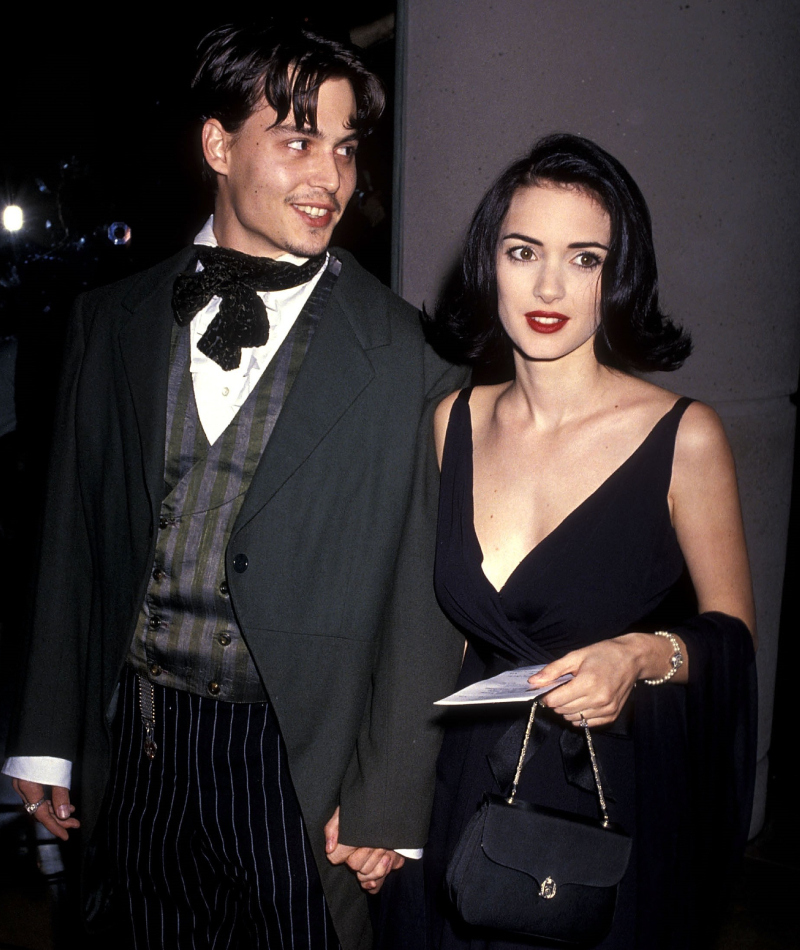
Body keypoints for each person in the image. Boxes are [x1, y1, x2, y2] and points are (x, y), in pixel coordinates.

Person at [2, 22, 465, 950]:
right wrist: (45, 736)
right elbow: (71, 542)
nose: (330, 179)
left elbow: (426, 598)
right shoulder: (110, 321)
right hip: (133, 741)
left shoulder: (413, 357)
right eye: (297, 142)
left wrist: (391, 795)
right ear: (218, 146)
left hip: (299, 763)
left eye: (343, 148)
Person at [422, 133, 757, 949]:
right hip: (463, 798)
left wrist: (641, 655)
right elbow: (437, 647)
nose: (547, 285)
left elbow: (732, 642)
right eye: (523, 250)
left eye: (584, 259)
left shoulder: (684, 436)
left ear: (619, 278)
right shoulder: (451, 424)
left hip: (602, 810)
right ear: (487, 263)